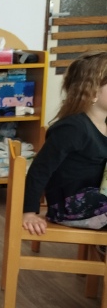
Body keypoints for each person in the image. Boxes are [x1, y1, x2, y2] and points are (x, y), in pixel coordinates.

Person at [23, 50, 107, 234]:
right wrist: (29, 212)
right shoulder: (73, 128)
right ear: (92, 91)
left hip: (96, 199)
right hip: (70, 206)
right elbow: (40, 170)